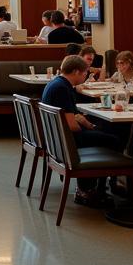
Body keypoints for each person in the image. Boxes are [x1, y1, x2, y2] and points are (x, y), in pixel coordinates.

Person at [41, 55, 118, 207]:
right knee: (113, 139)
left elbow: (70, 117)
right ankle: (91, 189)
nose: (85, 76)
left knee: (103, 130)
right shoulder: (62, 89)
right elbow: (71, 126)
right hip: (66, 140)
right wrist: (81, 123)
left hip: (55, 138)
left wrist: (81, 120)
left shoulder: (56, 83)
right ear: (76, 72)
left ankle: (92, 185)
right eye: (84, 73)